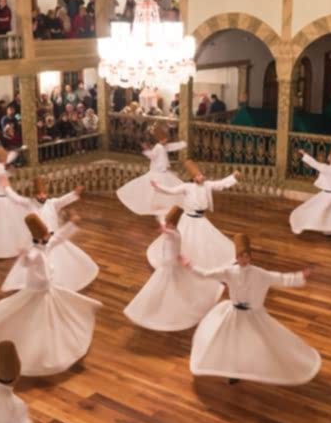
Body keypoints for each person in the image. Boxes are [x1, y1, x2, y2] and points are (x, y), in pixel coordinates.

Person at [0, 215, 102, 375]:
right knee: (33, 318)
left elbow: (59, 238)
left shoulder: (45, 246)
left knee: (51, 315)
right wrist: (24, 255)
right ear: (40, 236)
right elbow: (28, 261)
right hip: (37, 292)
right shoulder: (34, 252)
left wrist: (71, 225)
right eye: (47, 233)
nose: (50, 235)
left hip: (48, 290)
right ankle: (37, 351)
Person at [188, 234, 318, 385]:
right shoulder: (229, 272)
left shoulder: (259, 273)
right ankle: (233, 370)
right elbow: (206, 274)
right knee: (232, 342)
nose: (243, 259)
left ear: (250, 257)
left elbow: (280, 279)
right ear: (236, 257)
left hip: (254, 315)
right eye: (240, 256)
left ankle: (262, 364)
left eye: (246, 256)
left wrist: (299, 276)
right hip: (234, 314)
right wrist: (190, 266)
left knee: (263, 340)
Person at [124, 206, 223, 331]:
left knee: (170, 286)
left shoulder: (176, 234)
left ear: (173, 224)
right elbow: (163, 224)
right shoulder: (170, 230)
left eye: (169, 223)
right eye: (167, 223)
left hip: (171, 266)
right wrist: (159, 217)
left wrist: (164, 228)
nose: (167, 225)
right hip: (166, 265)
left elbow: (168, 232)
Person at [1, 178, 98, 292]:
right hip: (38, 240)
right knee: (38, 263)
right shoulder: (29, 203)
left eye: (44, 193)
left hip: (53, 238)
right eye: (39, 194)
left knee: (59, 264)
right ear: (34, 194)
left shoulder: (52, 203)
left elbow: (64, 200)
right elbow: (15, 198)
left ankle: (59, 282)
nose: (42, 196)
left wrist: (74, 193)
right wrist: (6, 187)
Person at [147, 160, 238, 271]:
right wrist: (158, 186)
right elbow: (171, 191)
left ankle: (204, 261)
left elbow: (220, 183)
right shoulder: (187, 187)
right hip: (188, 219)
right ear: (194, 178)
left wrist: (232, 176)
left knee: (205, 240)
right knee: (186, 239)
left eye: (201, 174)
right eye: (198, 175)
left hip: (201, 219)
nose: (201, 177)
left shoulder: (207, 185)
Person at [116, 123, 186, 217]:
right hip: (157, 173)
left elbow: (172, 146)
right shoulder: (158, 147)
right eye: (165, 139)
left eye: (166, 139)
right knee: (154, 191)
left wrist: (183, 144)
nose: (166, 140)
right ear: (160, 139)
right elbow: (152, 156)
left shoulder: (164, 146)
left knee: (166, 189)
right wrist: (146, 150)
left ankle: (163, 206)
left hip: (163, 172)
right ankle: (156, 206)